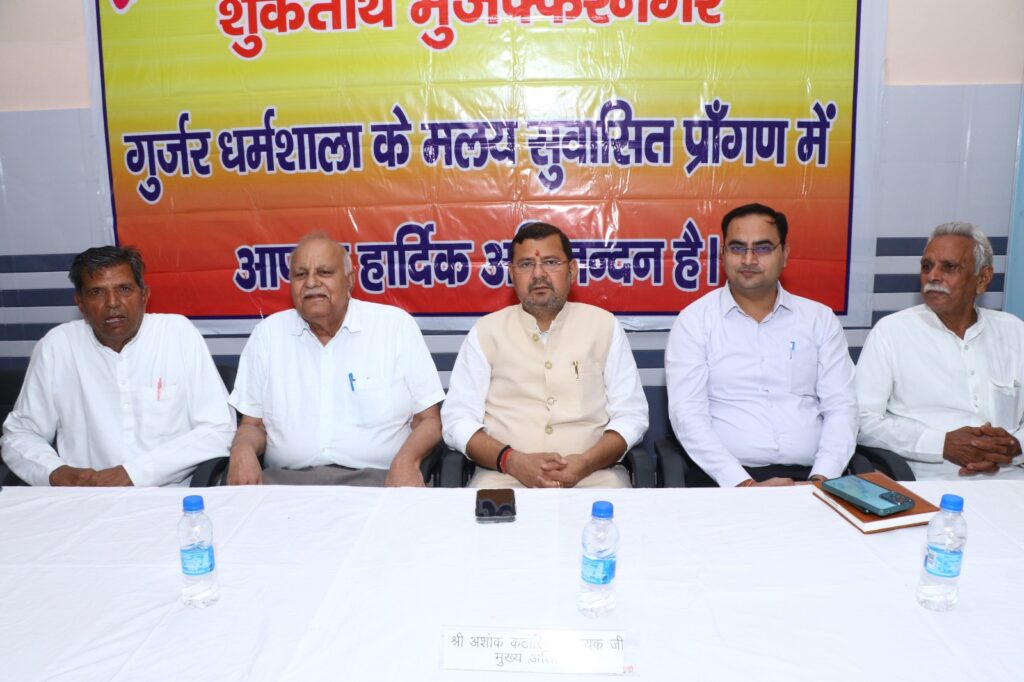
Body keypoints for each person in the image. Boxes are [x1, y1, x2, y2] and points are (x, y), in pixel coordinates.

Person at [0, 246, 235, 486]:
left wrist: (135, 473)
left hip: (170, 497)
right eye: (97, 292)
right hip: (84, 496)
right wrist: (56, 472)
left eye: (124, 289)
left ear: (144, 295)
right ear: (80, 303)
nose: (112, 303)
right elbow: (20, 434)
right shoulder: (57, 346)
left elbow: (219, 429)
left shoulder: (177, 334)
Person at [226, 232, 444, 486]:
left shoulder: (394, 327)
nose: (311, 282)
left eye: (324, 272)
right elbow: (253, 425)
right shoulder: (267, 335)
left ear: (349, 279)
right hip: (285, 484)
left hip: (377, 481)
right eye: (300, 274)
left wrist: (407, 460)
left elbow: (428, 420)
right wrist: (242, 449)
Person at [441, 221, 648, 489]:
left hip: (595, 477)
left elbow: (632, 416)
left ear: (572, 270)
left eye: (551, 262)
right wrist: (512, 461)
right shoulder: (485, 332)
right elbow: (457, 421)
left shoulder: (604, 326)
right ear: (512, 274)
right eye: (526, 264)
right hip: (503, 478)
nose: (539, 274)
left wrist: (586, 462)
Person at [664, 203, 858, 487]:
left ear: (785, 254)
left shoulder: (819, 319)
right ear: (722, 254)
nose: (749, 259)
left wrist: (822, 478)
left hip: (813, 477)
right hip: (723, 481)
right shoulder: (694, 321)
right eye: (737, 248)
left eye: (763, 248)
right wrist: (744, 485)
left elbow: (842, 407)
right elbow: (688, 415)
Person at [856, 221, 1024, 480]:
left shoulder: (1014, 331)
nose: (933, 276)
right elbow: (861, 420)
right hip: (929, 480)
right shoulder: (891, 331)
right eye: (927, 266)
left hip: (1010, 477)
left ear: (983, 279)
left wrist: (1015, 445)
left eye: (949, 267)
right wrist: (941, 444)